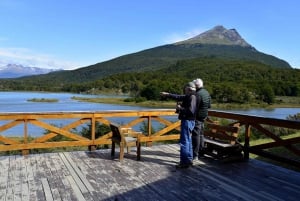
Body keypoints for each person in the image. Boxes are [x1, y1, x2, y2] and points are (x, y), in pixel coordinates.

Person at [160, 82, 197, 168]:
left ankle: (184, 162)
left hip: (188, 121)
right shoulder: (192, 95)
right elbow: (179, 97)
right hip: (190, 121)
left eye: (185, 89)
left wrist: (180, 108)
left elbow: (190, 111)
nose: (184, 90)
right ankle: (189, 160)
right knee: (188, 141)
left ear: (189, 89)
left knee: (184, 142)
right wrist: (168, 94)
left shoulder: (192, 96)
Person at [192, 78, 211, 160]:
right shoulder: (206, 92)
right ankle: (201, 152)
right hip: (204, 116)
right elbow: (209, 106)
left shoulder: (197, 94)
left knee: (196, 135)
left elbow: (194, 107)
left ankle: (195, 154)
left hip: (197, 117)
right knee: (201, 135)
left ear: (196, 86)